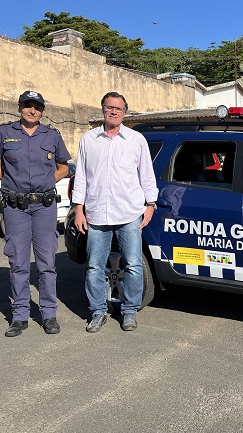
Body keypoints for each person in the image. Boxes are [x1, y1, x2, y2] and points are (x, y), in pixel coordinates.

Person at [71, 91, 158, 333]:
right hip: (97, 214)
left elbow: (146, 175)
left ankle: (129, 311)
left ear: (124, 113)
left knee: (133, 265)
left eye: (118, 109)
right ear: (103, 110)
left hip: (129, 214)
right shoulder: (88, 139)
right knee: (94, 266)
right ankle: (98, 312)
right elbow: (82, 178)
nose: (113, 111)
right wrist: (79, 209)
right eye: (109, 107)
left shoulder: (136, 139)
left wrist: (150, 205)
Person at [0, 90, 71, 337]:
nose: (32, 110)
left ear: (43, 111)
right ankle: (20, 315)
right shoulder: (4, 132)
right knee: (18, 263)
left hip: (44, 207)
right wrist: (14, 183)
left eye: (37, 107)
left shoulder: (52, 135)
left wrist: (45, 183)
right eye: (27, 106)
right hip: (15, 208)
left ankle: (48, 314)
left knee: (47, 264)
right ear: (20, 107)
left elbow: (63, 167)